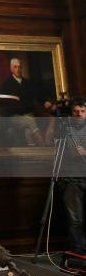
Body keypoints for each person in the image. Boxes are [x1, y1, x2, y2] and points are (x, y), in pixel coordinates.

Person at [60, 98, 86, 255]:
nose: (79, 114)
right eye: (76, 112)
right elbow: (60, 153)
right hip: (72, 180)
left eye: (82, 111)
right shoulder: (65, 129)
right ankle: (79, 255)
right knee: (76, 221)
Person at [0, 58, 44, 145]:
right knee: (30, 121)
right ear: (11, 69)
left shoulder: (27, 83)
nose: (18, 69)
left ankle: (33, 153)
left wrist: (44, 102)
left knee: (28, 130)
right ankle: (43, 144)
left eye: (20, 67)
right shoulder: (6, 85)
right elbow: (4, 106)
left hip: (27, 115)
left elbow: (35, 97)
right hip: (13, 117)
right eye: (15, 67)